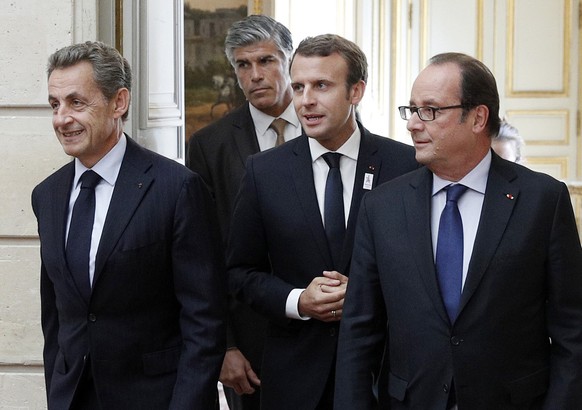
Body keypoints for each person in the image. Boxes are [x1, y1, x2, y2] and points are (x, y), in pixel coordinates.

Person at [335, 52, 582, 409]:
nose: (413, 124)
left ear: (478, 117)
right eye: (412, 109)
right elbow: (359, 333)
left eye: (431, 111)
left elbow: (572, 332)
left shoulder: (543, 200)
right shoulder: (383, 207)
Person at [227, 34, 418, 410]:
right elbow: (238, 272)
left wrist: (366, 295)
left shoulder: (406, 166)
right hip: (293, 380)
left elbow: (424, 273)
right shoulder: (264, 172)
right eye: (298, 87)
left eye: (322, 86)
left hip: (384, 376)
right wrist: (299, 301)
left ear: (356, 91)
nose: (306, 100)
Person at [32, 41, 226, 409]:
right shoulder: (48, 195)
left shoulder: (177, 188)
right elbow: (56, 317)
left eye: (76, 102)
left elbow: (204, 323)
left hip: (156, 399)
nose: (61, 118)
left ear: (118, 102)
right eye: (55, 105)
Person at [187, 15, 300, 410]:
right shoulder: (208, 145)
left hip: (327, 329)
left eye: (267, 61)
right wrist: (225, 344)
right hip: (250, 342)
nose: (255, 75)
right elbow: (202, 254)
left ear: (290, 60)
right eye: (243, 65)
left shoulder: (330, 126)